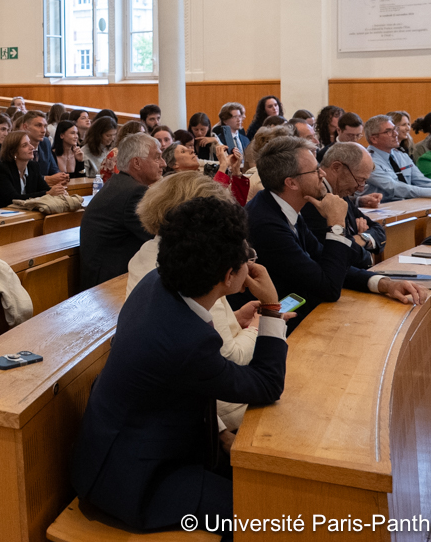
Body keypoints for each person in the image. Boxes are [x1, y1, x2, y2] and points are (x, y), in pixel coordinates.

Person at [70, 197, 288, 534]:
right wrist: (272, 309)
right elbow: (267, 385)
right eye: (248, 258)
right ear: (229, 276)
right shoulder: (187, 342)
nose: (251, 263)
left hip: (126, 448)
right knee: (267, 516)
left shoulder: (156, 282)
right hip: (136, 482)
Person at [244, 137, 426, 331]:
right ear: (291, 183)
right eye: (314, 170)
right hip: (268, 324)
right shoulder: (266, 223)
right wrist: (336, 225)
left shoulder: (283, 207)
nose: (322, 173)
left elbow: (323, 259)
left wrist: (384, 284)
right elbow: (328, 287)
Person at [125, 173, 256, 431]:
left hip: (184, 383)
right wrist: (259, 326)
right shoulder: (193, 266)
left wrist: (237, 318)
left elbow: (202, 324)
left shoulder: (147, 252)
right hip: (211, 402)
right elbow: (230, 357)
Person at [78, 133, 163, 290]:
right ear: (137, 163)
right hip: (107, 286)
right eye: (157, 157)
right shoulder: (133, 192)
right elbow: (159, 235)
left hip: (106, 275)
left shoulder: (122, 184)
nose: (163, 163)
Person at [303, 142, 387, 268]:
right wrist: (363, 250)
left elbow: (379, 230)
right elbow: (343, 254)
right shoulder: (315, 199)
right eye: (359, 180)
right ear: (336, 167)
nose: (360, 189)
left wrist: (362, 238)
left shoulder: (340, 191)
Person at [362, 114, 431, 202]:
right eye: (388, 131)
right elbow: (394, 187)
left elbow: (421, 180)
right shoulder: (367, 160)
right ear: (374, 139)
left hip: (407, 205)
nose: (395, 134)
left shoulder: (401, 155)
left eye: (395, 129)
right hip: (383, 208)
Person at [0, 130, 57, 208]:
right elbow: (13, 198)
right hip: (3, 214)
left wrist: (56, 190)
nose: (32, 147)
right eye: (25, 145)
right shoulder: (1, 170)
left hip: (24, 213)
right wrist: (47, 193)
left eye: (30, 143)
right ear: (13, 152)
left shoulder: (33, 166)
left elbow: (45, 188)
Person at [19, 110, 66, 187]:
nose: (43, 130)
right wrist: (45, 178)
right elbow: (22, 175)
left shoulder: (45, 142)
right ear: (25, 127)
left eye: (45, 126)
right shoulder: (17, 145)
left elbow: (53, 168)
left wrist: (61, 177)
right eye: (38, 125)